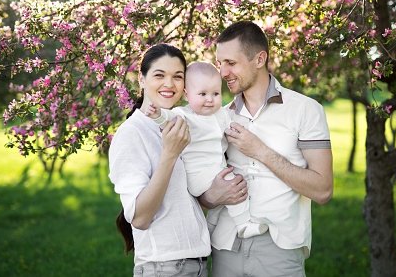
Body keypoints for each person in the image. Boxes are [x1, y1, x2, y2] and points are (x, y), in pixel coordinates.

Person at [198, 21, 334, 277]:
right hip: (225, 246)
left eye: (231, 63)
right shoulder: (220, 117)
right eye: (220, 63)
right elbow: (203, 188)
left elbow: (323, 190)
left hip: (280, 250)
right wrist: (210, 197)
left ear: (259, 59)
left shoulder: (306, 110)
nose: (222, 72)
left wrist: (260, 151)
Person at [108, 44, 224, 277]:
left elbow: (181, 199)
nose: (169, 84)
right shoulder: (132, 133)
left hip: (197, 262)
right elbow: (139, 217)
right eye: (159, 75)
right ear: (142, 80)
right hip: (165, 266)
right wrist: (169, 154)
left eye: (177, 77)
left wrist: (214, 194)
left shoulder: (182, 124)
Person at [144, 61, 268, 239]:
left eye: (215, 93)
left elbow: (234, 128)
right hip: (197, 174)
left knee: (228, 191)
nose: (210, 99)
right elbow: (168, 118)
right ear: (187, 94)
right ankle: (243, 225)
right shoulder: (184, 115)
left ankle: (210, 227)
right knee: (231, 183)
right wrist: (158, 114)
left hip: (215, 168)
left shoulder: (221, 114)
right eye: (202, 94)